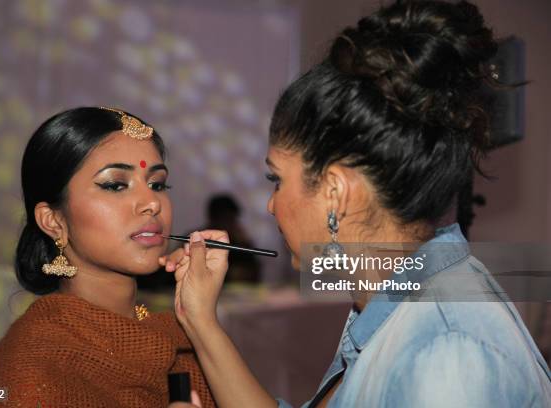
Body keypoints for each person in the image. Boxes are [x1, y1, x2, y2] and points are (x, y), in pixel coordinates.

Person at [161, 1, 551, 407]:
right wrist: (200, 319)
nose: (271, 206)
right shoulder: (392, 295)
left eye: (276, 180)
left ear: (335, 190)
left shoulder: (445, 358)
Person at [0, 107, 215, 407]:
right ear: (53, 221)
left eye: (157, 184)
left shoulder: (174, 338)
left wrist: (202, 320)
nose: (152, 202)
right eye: (115, 185)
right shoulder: (31, 371)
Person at [199, 194, 261, 283]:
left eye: (232, 219)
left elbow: (255, 274)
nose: (229, 223)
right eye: (225, 218)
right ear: (213, 219)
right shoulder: (197, 240)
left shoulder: (239, 241)